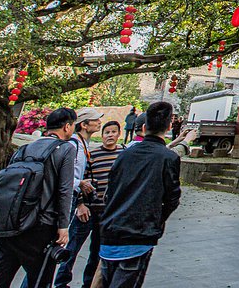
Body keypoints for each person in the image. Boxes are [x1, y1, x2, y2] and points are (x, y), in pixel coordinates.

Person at [0, 107, 77, 288]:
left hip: (14, 223)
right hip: (41, 226)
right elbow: (64, 190)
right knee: (41, 280)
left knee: (0, 279)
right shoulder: (66, 149)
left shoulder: (24, 149)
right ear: (67, 127)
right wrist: (63, 225)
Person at [97, 102, 181, 288]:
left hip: (110, 231)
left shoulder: (124, 154)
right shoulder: (168, 158)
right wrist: (155, 220)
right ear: (168, 127)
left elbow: (110, 192)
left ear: (144, 127)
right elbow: (172, 199)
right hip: (139, 235)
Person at [52, 108, 103, 288]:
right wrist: (80, 186)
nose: (99, 123)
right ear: (84, 124)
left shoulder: (84, 145)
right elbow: (64, 178)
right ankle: (59, 282)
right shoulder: (73, 145)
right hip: (69, 201)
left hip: (75, 198)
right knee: (67, 244)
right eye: (95, 120)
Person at [76, 120, 123, 288]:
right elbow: (82, 180)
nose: (110, 135)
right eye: (107, 132)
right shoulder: (93, 155)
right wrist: (81, 203)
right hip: (97, 210)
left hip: (116, 211)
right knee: (95, 251)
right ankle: (88, 283)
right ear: (102, 135)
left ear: (119, 134)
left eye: (113, 132)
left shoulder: (123, 154)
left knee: (114, 250)